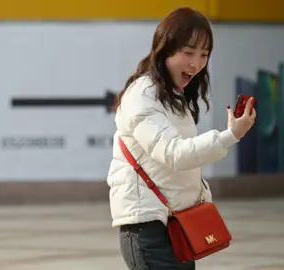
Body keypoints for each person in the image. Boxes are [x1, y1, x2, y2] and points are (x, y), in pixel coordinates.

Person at [107, 7, 256, 270]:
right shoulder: (143, 95)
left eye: (204, 55)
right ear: (165, 49)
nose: (196, 63)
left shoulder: (172, 96)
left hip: (176, 225)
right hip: (147, 229)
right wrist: (230, 136)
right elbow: (175, 154)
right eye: (188, 53)